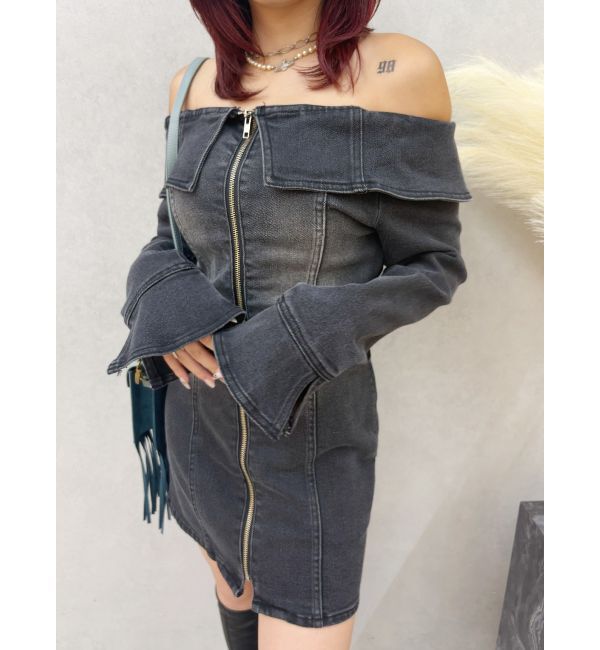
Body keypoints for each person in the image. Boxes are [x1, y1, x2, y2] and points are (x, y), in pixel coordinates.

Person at [106, 1, 472, 648]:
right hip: (197, 424)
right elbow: (172, 237)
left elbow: (432, 265)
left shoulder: (398, 69)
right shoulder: (192, 82)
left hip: (313, 445)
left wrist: (300, 334)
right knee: (235, 603)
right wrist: (162, 304)